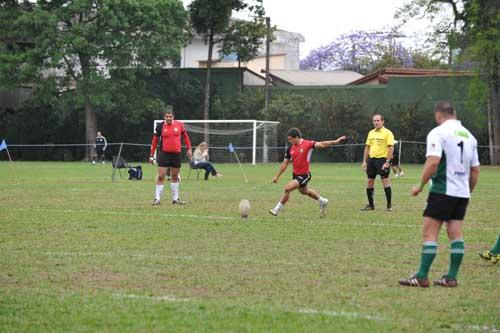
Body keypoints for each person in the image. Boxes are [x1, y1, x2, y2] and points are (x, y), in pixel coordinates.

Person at [399, 101, 480, 288]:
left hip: (442, 190)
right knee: (456, 234)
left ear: (438, 115)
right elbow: (475, 171)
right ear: (455, 113)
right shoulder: (470, 136)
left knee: (430, 233)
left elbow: (433, 162)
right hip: (462, 193)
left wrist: (420, 185)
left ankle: (421, 276)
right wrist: (467, 191)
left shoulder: (438, 133)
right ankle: (451, 277)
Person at [269, 127, 346, 218]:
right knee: (304, 192)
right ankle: (322, 200)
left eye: (290, 139)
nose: (289, 141)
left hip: (304, 175)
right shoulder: (290, 149)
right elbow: (285, 163)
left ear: (296, 137)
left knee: (287, 188)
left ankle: (276, 210)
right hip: (296, 175)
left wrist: (335, 141)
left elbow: (322, 144)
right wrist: (277, 176)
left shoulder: (308, 144)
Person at [149, 110, 192, 205]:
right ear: (164, 117)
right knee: (161, 176)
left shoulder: (179, 125)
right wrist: (151, 155)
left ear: (173, 117)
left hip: (176, 154)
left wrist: (189, 149)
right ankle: (157, 199)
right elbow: (154, 141)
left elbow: (185, 137)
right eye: (167, 116)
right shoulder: (160, 126)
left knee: (175, 176)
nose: (168, 118)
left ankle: (175, 199)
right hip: (164, 154)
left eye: (170, 116)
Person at [361, 114, 395, 211]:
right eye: (374, 121)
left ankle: (389, 206)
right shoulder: (371, 133)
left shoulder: (388, 133)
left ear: (382, 121)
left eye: (378, 120)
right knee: (370, 182)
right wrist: (364, 161)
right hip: (371, 160)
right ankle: (371, 205)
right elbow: (367, 147)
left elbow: (391, 147)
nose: (376, 122)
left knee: (385, 182)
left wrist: (387, 162)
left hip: (382, 160)